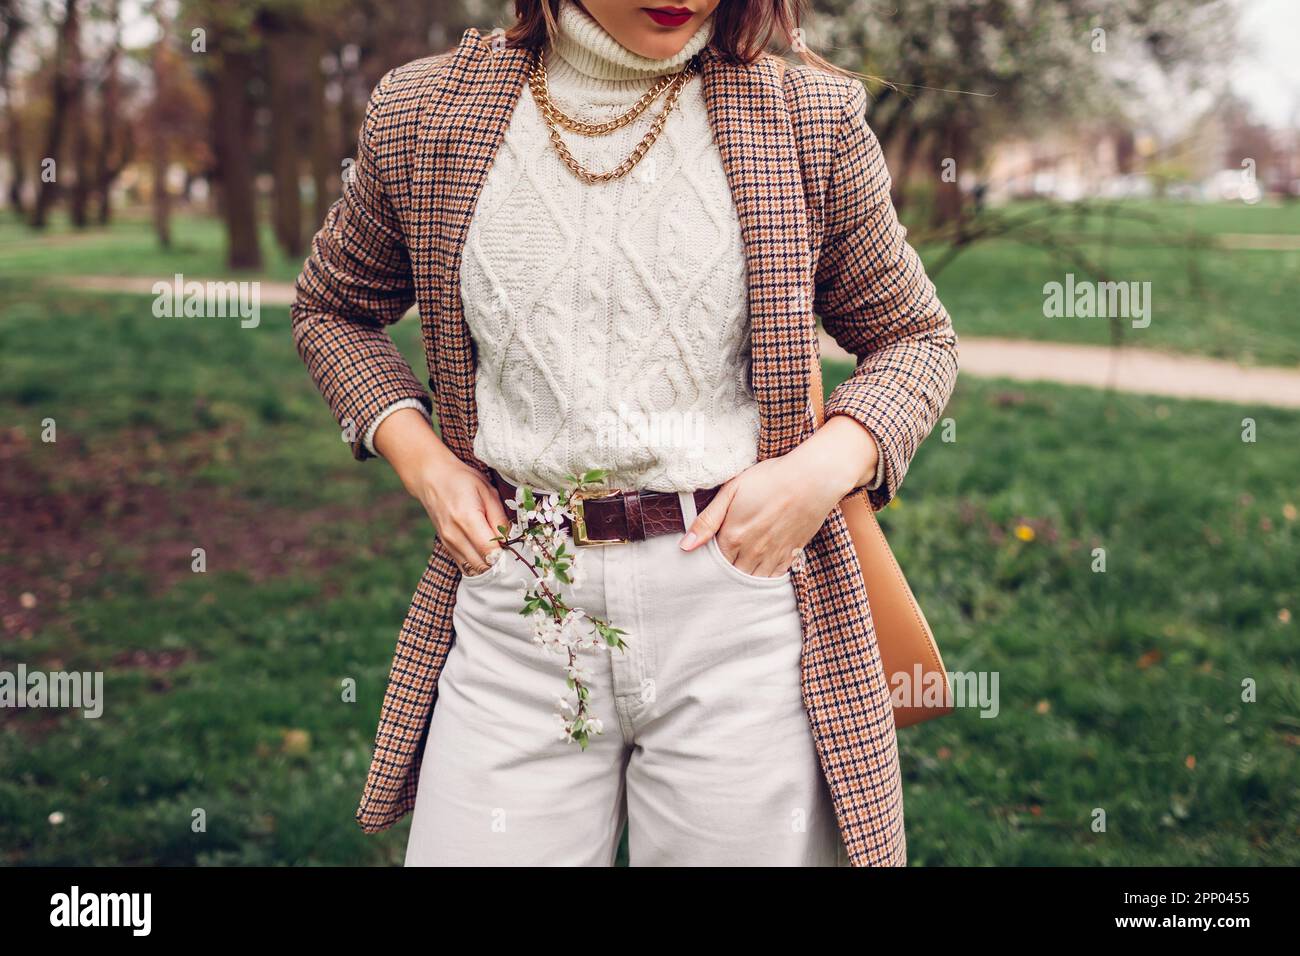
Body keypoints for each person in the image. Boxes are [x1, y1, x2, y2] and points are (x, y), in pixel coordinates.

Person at [291, 0, 957, 866]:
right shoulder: (427, 111)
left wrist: (817, 474)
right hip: (518, 610)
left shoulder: (801, 116)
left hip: (738, 605)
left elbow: (917, 339)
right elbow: (331, 308)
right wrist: (422, 462)